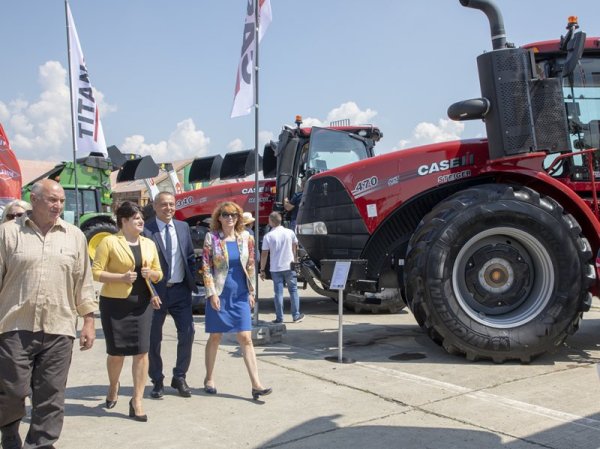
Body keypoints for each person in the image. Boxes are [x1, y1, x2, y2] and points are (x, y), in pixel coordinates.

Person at [0, 179, 97, 449]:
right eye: (52, 200)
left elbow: (83, 281)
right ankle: (9, 433)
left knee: (51, 394)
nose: (58, 206)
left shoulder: (75, 235)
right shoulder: (8, 233)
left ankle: (41, 443)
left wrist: (88, 319)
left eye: (62, 201)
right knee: (12, 391)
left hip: (59, 326)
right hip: (14, 325)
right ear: (34, 199)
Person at [92, 201, 162, 422]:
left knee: (142, 352)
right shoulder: (109, 242)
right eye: (136, 218)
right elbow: (96, 273)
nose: (141, 221)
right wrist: (120, 278)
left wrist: (152, 274)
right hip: (115, 303)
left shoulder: (149, 244)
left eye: (141, 217)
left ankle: (137, 400)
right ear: (123, 221)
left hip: (142, 304)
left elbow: (159, 273)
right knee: (116, 353)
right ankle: (113, 386)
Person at [202, 201, 272, 400]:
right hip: (220, 293)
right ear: (219, 218)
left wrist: (251, 292)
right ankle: (209, 378)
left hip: (240, 293)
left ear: (238, 217)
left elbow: (250, 265)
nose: (230, 218)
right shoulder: (212, 238)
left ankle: (256, 384)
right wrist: (211, 293)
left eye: (233, 214)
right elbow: (206, 267)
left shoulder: (246, 237)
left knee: (245, 337)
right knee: (215, 336)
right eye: (225, 214)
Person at [143, 191, 197, 399]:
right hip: (156, 294)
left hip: (181, 291)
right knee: (154, 338)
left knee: (188, 333)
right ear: (155, 207)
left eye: (172, 204)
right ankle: (157, 380)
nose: (169, 208)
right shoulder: (147, 230)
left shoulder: (183, 227)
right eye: (164, 205)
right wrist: (149, 291)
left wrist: (195, 279)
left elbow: (190, 255)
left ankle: (180, 376)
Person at [260, 212, 304, 324]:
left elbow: (264, 254)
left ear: (271, 221)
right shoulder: (290, 232)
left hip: (275, 268)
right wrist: (295, 260)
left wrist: (262, 269)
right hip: (289, 266)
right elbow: (295, 248)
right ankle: (296, 316)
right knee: (293, 291)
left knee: (278, 293)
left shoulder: (268, 236)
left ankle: (279, 318)